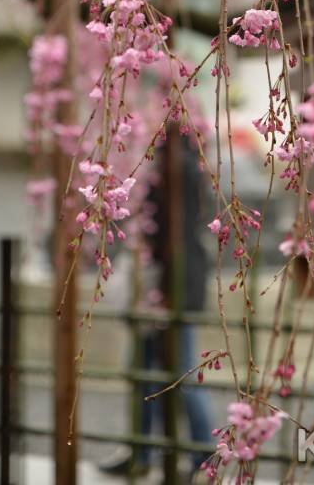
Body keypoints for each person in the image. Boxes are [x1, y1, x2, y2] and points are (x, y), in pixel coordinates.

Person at [100, 132, 215, 482]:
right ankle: (144, 451)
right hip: (166, 282)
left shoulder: (175, 167)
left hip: (170, 285)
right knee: (146, 371)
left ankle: (200, 455)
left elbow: (165, 228)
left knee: (178, 373)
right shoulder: (184, 163)